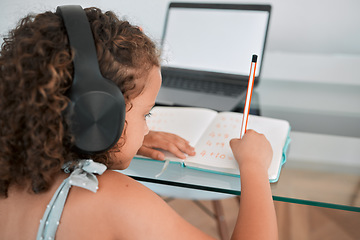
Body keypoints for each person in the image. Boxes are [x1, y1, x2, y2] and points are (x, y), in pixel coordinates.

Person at [0, 7, 278, 240]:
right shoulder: (115, 202)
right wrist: (253, 166)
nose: (146, 129)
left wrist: (120, 136)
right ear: (99, 115)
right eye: (145, 115)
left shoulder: (10, 171)